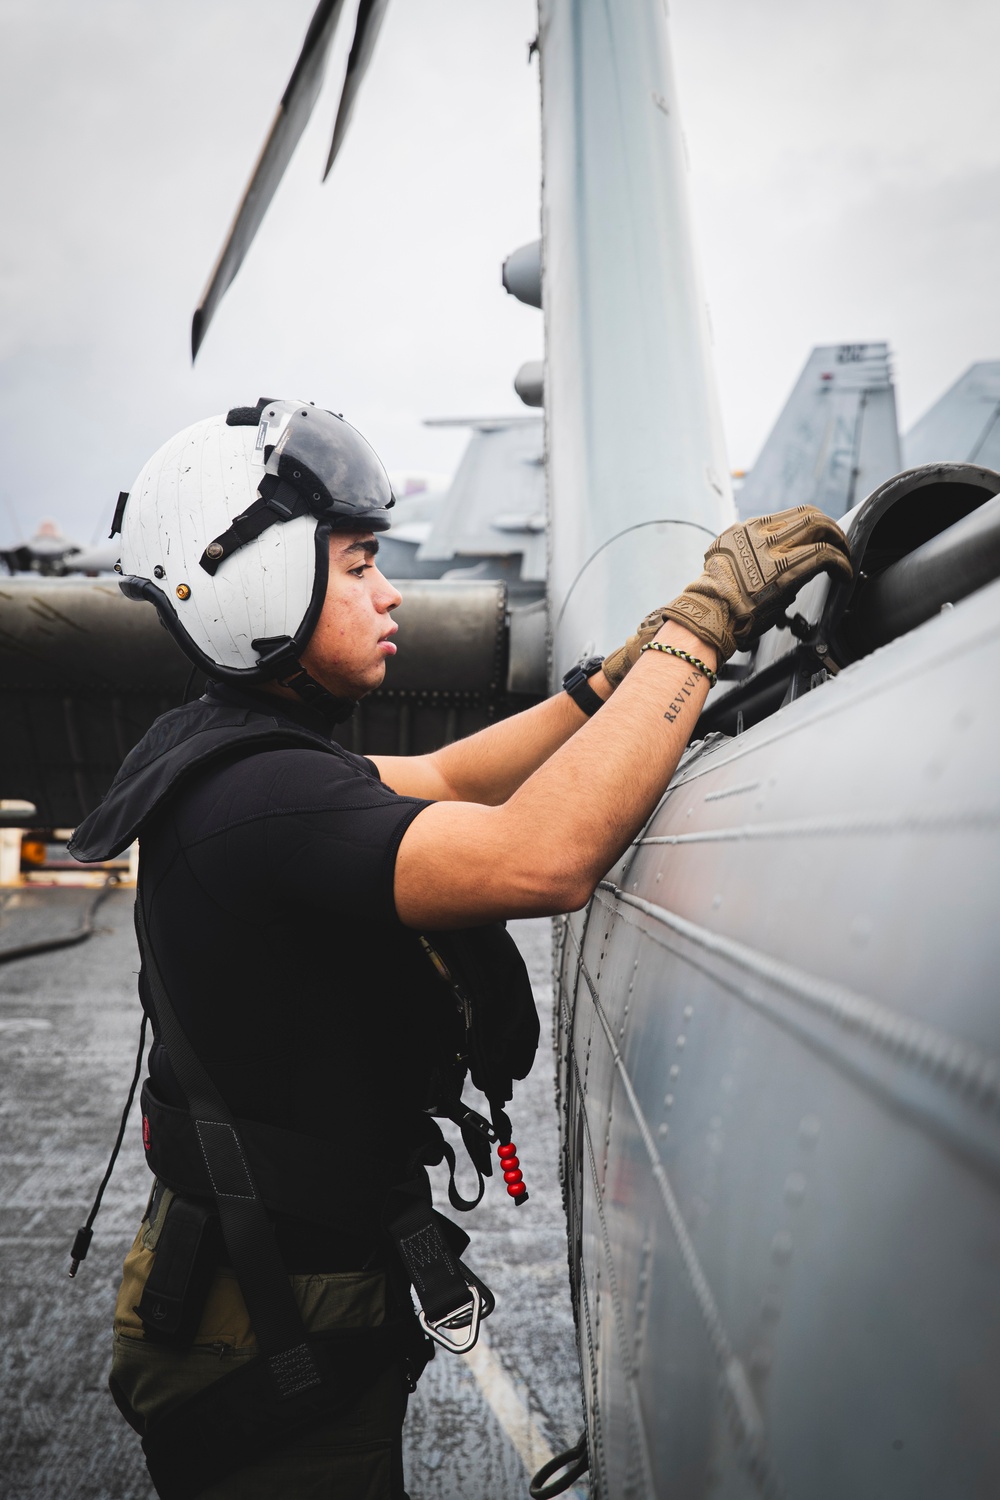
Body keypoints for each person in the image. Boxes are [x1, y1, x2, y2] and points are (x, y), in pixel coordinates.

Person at [69, 398, 852, 1499]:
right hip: (264, 1318)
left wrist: (607, 684)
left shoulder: (225, 750)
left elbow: (441, 779)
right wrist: (703, 625)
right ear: (250, 577)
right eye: (355, 565)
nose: (387, 592)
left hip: (262, 1283)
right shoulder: (269, 794)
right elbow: (544, 859)